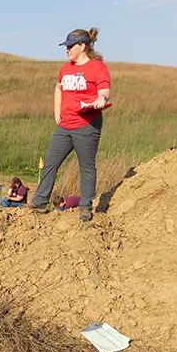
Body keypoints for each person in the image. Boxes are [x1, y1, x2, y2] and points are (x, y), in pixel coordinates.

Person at [31, 28, 112, 223]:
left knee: (86, 166)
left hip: (87, 125)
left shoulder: (97, 67)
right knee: (51, 161)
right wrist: (57, 111)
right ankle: (40, 201)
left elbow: (104, 90)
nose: (67, 50)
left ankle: (85, 207)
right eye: (66, 47)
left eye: (70, 46)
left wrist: (101, 99)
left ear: (82, 46)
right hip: (65, 125)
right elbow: (58, 87)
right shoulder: (66, 68)